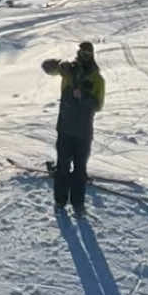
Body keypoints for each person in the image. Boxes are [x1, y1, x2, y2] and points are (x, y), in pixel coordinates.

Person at [41, 40, 105, 211]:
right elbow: (46, 67)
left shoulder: (97, 78)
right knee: (62, 166)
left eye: (87, 53)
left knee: (79, 169)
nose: (84, 56)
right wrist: (59, 64)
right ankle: (60, 202)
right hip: (65, 129)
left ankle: (78, 204)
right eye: (81, 52)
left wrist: (83, 96)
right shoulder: (69, 71)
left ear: (92, 55)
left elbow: (98, 105)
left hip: (83, 132)